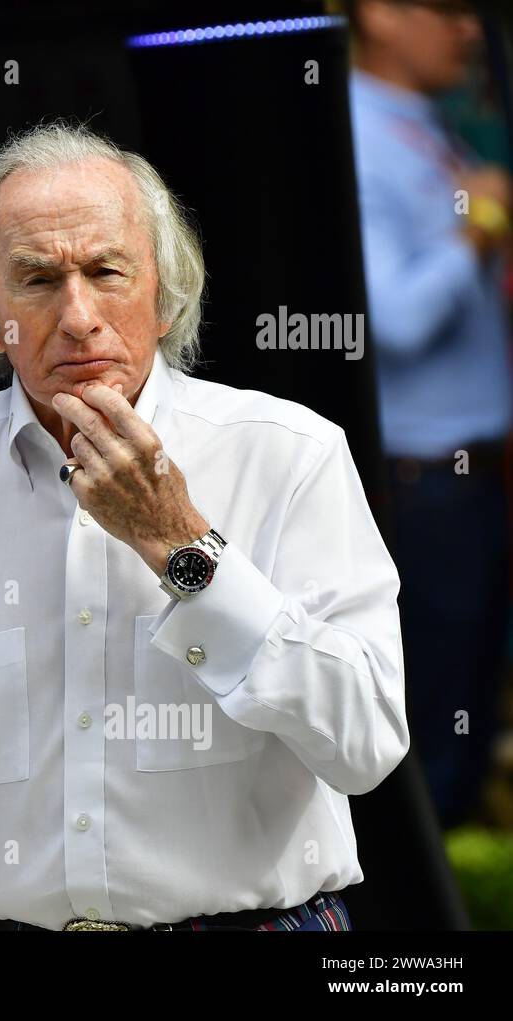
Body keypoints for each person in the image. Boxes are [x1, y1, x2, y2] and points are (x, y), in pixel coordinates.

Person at [0, 122, 408, 931]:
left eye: (107, 270)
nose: (79, 316)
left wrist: (181, 544)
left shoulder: (290, 455)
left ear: (165, 295)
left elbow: (364, 742)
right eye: (37, 279)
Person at [346, 0, 512, 828]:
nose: (471, 28)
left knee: (469, 736)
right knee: (425, 762)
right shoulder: (353, 128)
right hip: (424, 488)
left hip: (478, 478)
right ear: (376, 13)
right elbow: (397, 323)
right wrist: (478, 226)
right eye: (449, 8)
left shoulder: (426, 125)